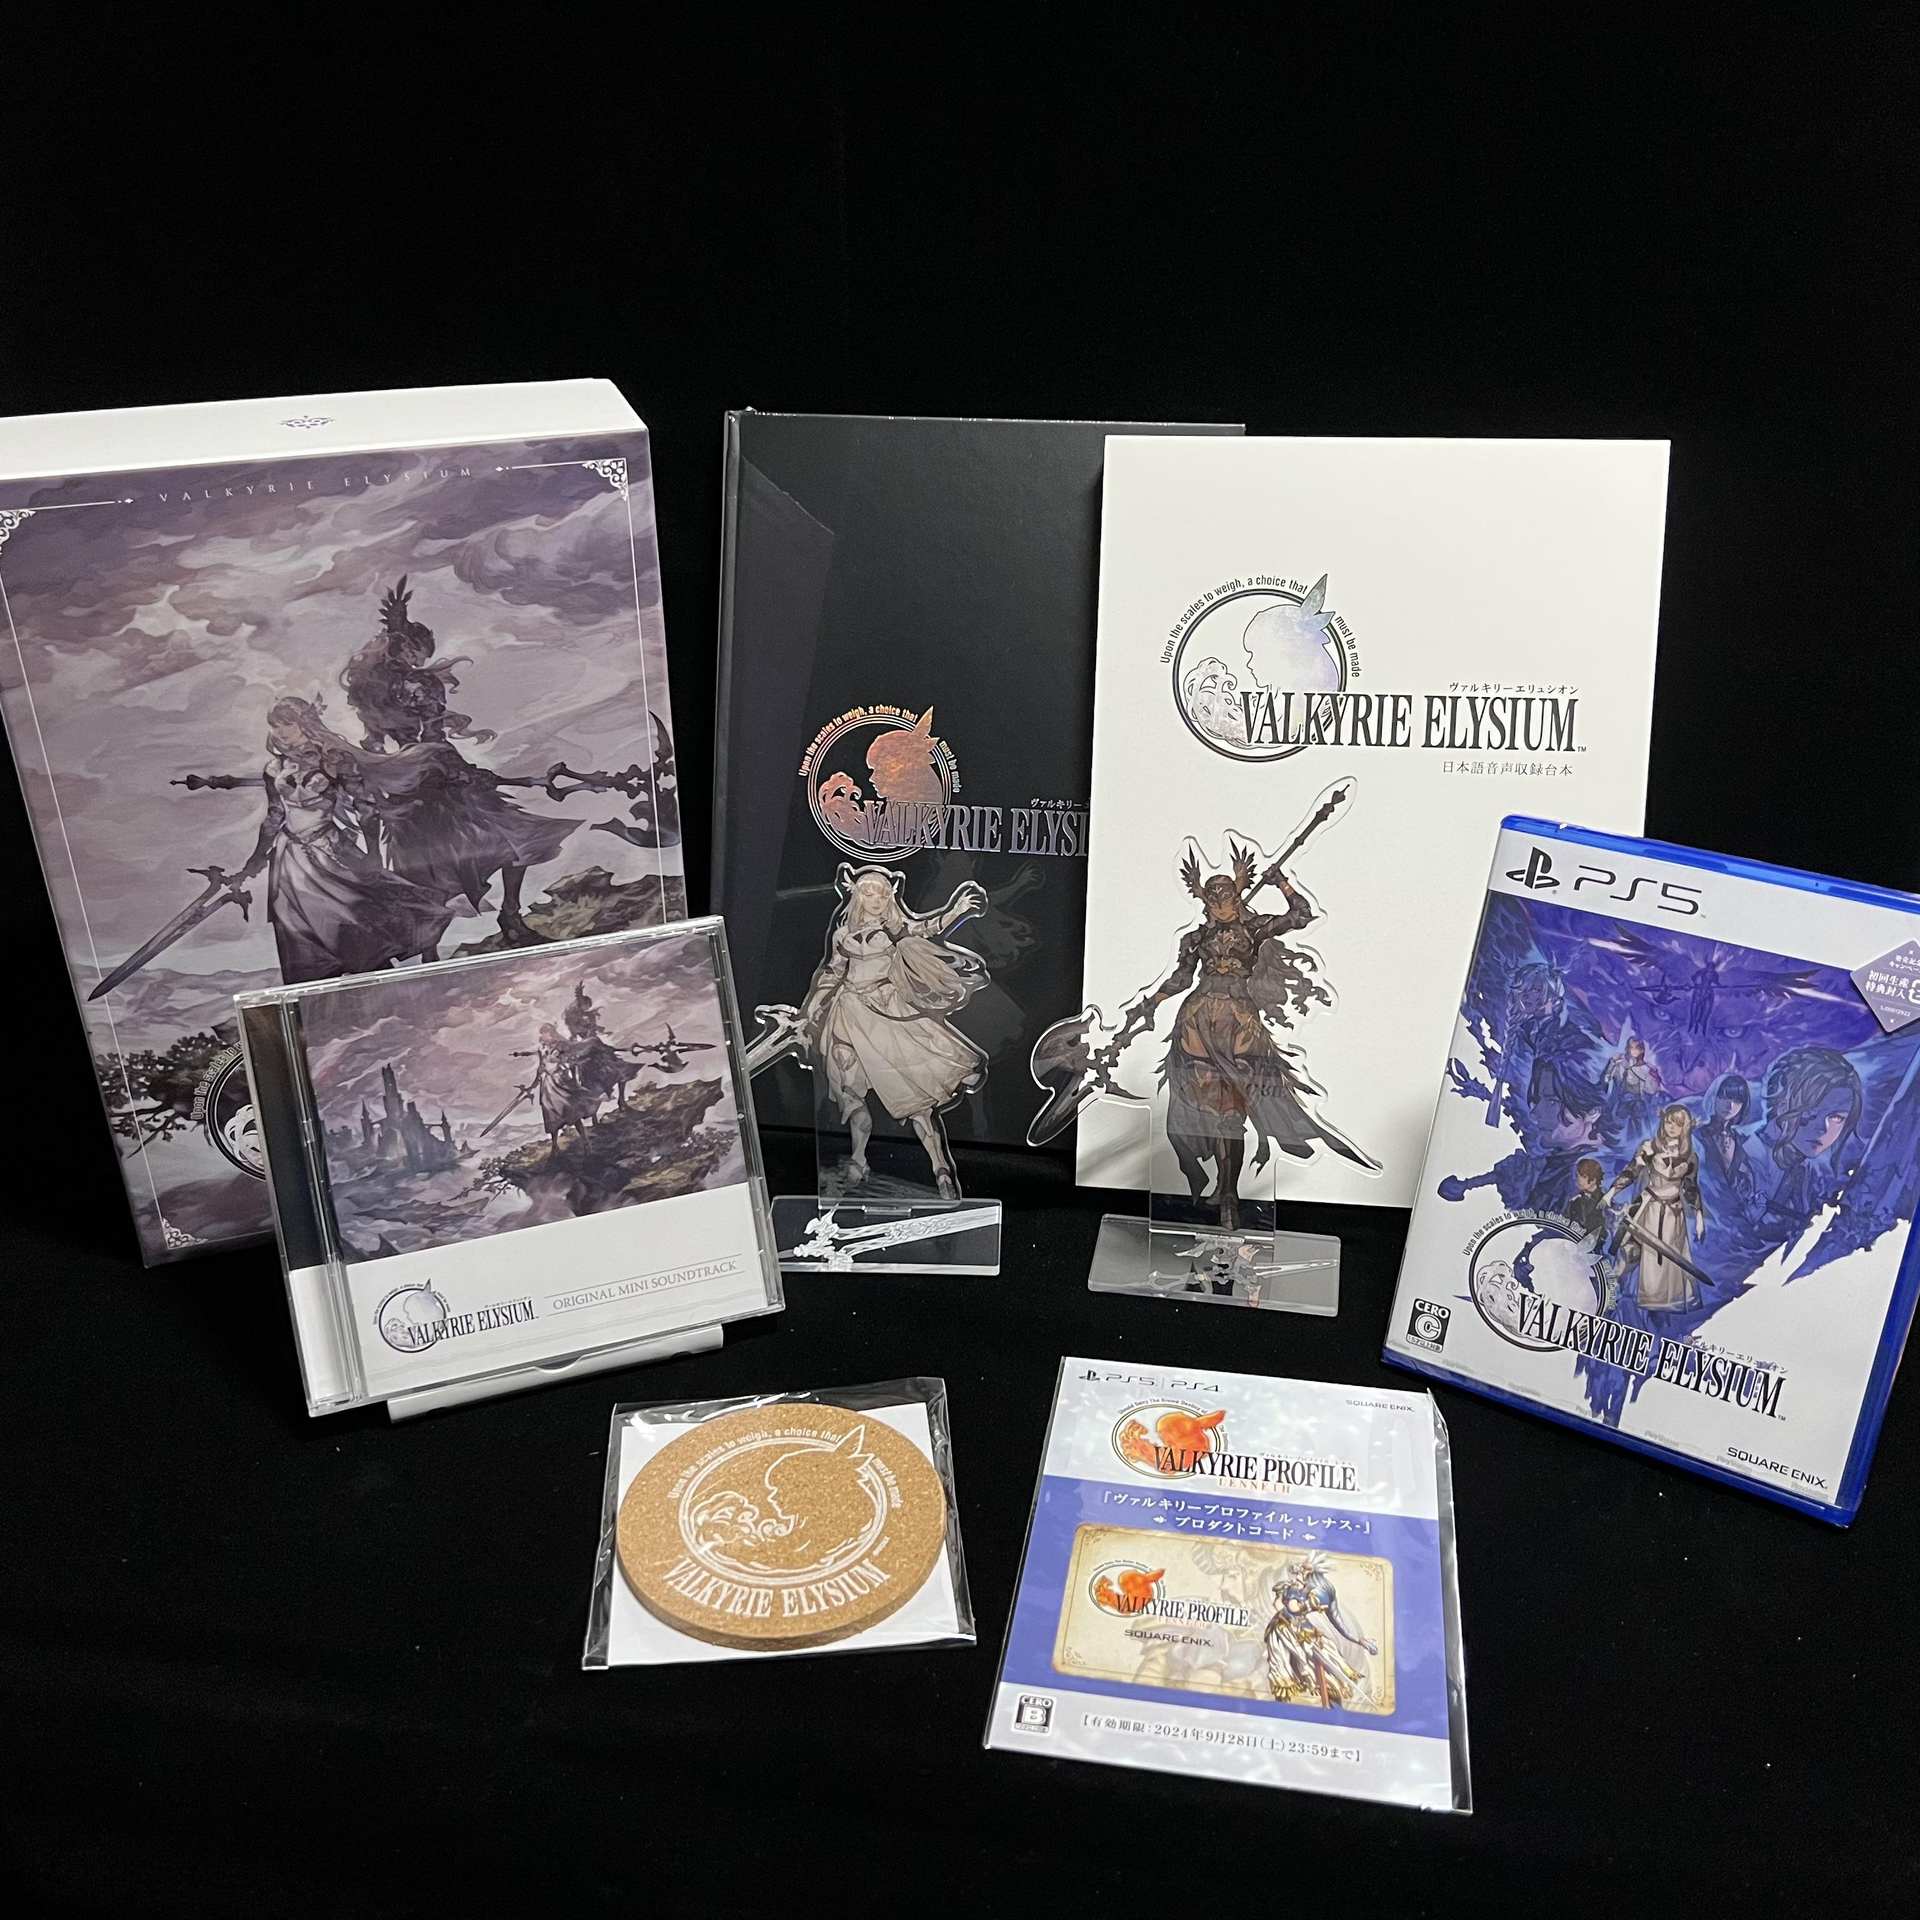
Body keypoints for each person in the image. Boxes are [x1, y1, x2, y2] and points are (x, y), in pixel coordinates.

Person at [233, 698, 456, 982]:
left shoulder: (335, 761)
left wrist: (373, 854)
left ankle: (379, 977)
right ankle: (316, 990)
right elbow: (275, 816)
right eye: (275, 726)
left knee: (353, 915)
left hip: (330, 850)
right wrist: (256, 859)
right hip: (290, 860)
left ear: (305, 723)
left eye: (288, 723)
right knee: (295, 926)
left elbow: (366, 808)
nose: (281, 732)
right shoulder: (275, 768)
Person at [800, 864, 988, 1199]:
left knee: (914, 1098)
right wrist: (814, 1003)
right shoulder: (842, 935)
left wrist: (957, 910)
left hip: (886, 1013)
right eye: (869, 893)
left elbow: (927, 928)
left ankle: (940, 1168)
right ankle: (858, 1160)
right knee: (850, 1091)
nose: (876, 899)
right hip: (847, 1014)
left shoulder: (893, 929)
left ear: (890, 897)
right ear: (858, 896)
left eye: (883, 894)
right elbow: (832, 970)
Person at [1605, 1103, 1707, 1313]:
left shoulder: (1690, 1157)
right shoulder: (1649, 1148)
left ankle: (1662, 1307)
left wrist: (1699, 1218)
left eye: (1677, 1124)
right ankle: (1611, 1295)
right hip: (1647, 1208)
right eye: (1669, 1122)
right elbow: (1631, 1172)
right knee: (1630, 1253)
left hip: (1673, 1214)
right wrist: (1611, 1193)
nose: (1672, 1127)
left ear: (1685, 1127)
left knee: (1668, 1265)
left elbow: (1691, 1189)